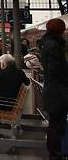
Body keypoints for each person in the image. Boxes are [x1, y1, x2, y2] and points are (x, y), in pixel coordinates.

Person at [39, 18, 68, 160]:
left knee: (55, 125)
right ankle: (55, 155)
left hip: (52, 90)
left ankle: (55, 153)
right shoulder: (54, 46)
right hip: (57, 92)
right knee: (57, 126)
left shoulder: (47, 44)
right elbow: (55, 69)